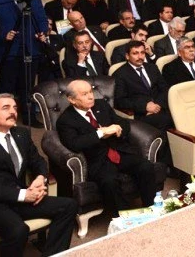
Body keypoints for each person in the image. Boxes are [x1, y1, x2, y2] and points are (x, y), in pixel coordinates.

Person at [0, 94, 77, 256]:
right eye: (6, 108)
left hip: (20, 199)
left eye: (15, 108)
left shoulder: (21, 134)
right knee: (18, 230)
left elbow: (38, 161)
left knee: (69, 206)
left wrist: (40, 178)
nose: (13, 112)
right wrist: (24, 195)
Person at [57, 79, 158, 216]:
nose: (91, 96)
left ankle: (152, 209)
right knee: (109, 182)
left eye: (91, 92)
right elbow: (74, 143)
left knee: (145, 166)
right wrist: (101, 133)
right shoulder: (66, 120)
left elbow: (123, 123)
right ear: (72, 99)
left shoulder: (101, 105)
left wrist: (117, 129)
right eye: (84, 94)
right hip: (98, 160)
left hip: (119, 150)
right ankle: (124, 218)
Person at [0, 0, 49, 125]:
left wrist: (43, 32)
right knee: (6, 85)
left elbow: (42, 19)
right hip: (9, 49)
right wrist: (3, 34)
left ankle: (29, 116)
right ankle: (3, 119)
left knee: (28, 85)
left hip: (31, 46)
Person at [113, 41, 173, 135]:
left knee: (181, 114)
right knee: (166, 120)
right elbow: (120, 101)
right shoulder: (120, 74)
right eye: (135, 53)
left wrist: (157, 106)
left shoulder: (152, 67)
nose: (140, 56)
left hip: (160, 107)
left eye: (142, 53)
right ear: (127, 56)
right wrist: (145, 107)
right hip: (140, 113)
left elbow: (164, 89)